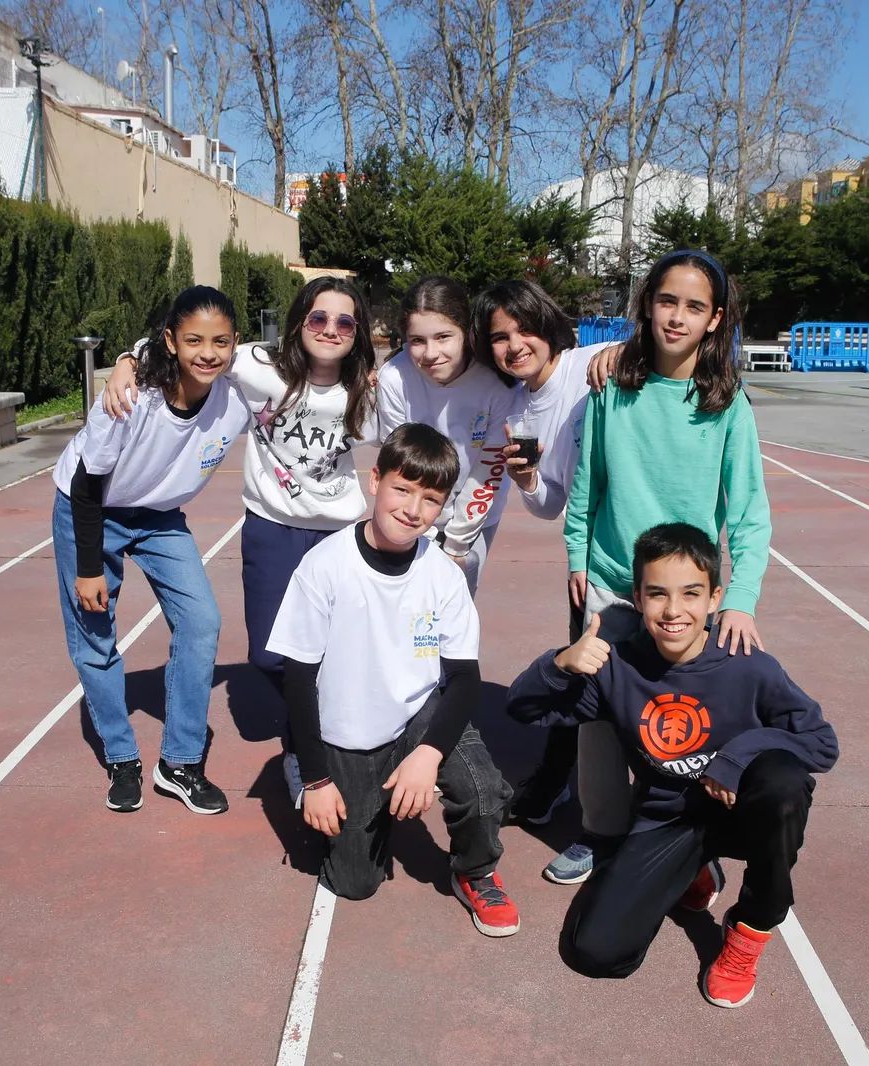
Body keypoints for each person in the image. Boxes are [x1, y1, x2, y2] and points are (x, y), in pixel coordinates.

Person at [507, 522, 838, 1007]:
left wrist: (734, 759)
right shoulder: (617, 668)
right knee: (595, 953)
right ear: (638, 599)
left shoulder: (749, 665)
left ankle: (750, 930)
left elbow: (820, 743)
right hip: (670, 818)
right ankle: (694, 870)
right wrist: (560, 663)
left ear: (714, 598)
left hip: (744, 811)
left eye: (690, 594)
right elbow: (523, 709)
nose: (674, 610)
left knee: (785, 785)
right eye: (658, 594)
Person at [103, 278, 379, 805]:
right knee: (269, 654)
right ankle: (319, 728)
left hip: (339, 533)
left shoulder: (368, 387)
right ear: (300, 321)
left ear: (357, 332)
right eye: (318, 318)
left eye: (345, 322)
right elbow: (179, 340)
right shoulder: (258, 364)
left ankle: (306, 752)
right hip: (272, 526)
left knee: (337, 653)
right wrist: (124, 360)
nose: (330, 330)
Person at [547, 248, 772, 887]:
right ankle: (600, 833)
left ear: (716, 319)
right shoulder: (611, 391)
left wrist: (741, 598)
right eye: (666, 301)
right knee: (599, 716)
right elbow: (589, 486)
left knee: (687, 718)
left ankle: (686, 838)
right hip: (614, 583)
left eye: (694, 307)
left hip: (689, 597)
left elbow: (750, 514)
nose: (677, 317)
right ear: (647, 305)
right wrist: (577, 557)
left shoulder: (728, 404)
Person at [266, 423, 521, 936]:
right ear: (374, 480)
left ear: (443, 506)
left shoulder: (443, 573)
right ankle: (326, 789)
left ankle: (474, 871)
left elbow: (465, 680)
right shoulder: (324, 566)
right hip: (351, 728)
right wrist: (317, 780)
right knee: (354, 883)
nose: (412, 509)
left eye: (430, 499)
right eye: (402, 489)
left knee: (481, 786)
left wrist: (427, 756)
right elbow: (297, 679)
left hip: (418, 711)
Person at [52, 286, 250, 815]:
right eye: (193, 340)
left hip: (159, 517)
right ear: (170, 341)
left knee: (202, 622)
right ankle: (121, 757)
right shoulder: (132, 396)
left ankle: (179, 763)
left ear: (235, 345)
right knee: (96, 635)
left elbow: (302, 365)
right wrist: (89, 567)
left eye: (220, 342)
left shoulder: (236, 397)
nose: (207, 353)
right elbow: (87, 482)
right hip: (92, 508)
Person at [470, 278, 611, 825]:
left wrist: (626, 350)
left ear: (547, 325)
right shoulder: (520, 412)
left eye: (525, 328)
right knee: (589, 677)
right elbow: (550, 506)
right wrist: (526, 477)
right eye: (500, 337)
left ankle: (572, 791)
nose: (515, 344)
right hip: (591, 555)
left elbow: (650, 349)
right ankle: (564, 790)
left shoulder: (590, 361)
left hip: (648, 545)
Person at [376, 276, 521, 595]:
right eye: (417, 340)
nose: (430, 353)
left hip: (474, 515)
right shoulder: (394, 378)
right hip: (411, 513)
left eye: (443, 337)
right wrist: (415, 534)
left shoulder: (497, 383)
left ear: (466, 332)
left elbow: (490, 470)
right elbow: (397, 463)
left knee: (454, 607)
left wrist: (455, 546)